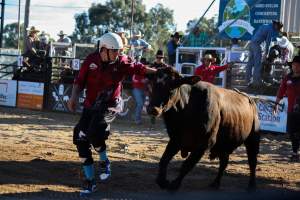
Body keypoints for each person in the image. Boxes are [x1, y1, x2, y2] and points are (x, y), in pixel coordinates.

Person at [67, 32, 156, 195]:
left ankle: (104, 160)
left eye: (119, 51)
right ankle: (90, 181)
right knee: (79, 137)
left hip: (110, 105)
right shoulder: (90, 60)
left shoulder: (122, 61)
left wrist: (157, 72)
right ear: (104, 49)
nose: (118, 54)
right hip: (91, 104)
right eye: (115, 50)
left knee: (94, 133)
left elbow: (140, 68)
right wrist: (73, 97)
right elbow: (79, 81)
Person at [273, 55, 300, 162]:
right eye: (294, 65)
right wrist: (276, 104)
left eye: (298, 65)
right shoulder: (287, 78)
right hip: (291, 110)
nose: (296, 67)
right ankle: (295, 153)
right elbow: (281, 91)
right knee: (292, 132)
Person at [246, 20, 283, 87]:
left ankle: (247, 81)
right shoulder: (270, 29)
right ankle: (256, 82)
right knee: (258, 64)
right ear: (276, 25)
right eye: (278, 27)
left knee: (250, 63)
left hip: (251, 43)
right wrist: (266, 54)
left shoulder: (265, 25)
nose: (277, 29)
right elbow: (268, 43)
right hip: (257, 44)